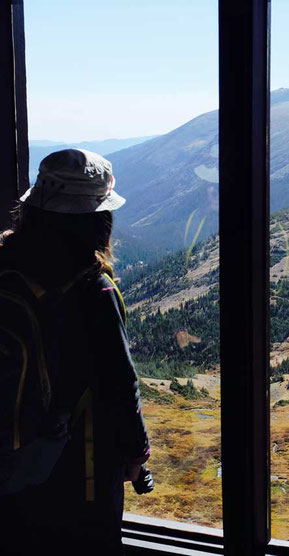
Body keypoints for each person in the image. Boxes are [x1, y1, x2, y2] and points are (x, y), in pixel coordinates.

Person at [0, 149, 150, 555]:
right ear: (97, 218)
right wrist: (138, 454)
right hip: (76, 463)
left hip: (9, 461)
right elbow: (121, 384)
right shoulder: (93, 289)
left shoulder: (5, 266)